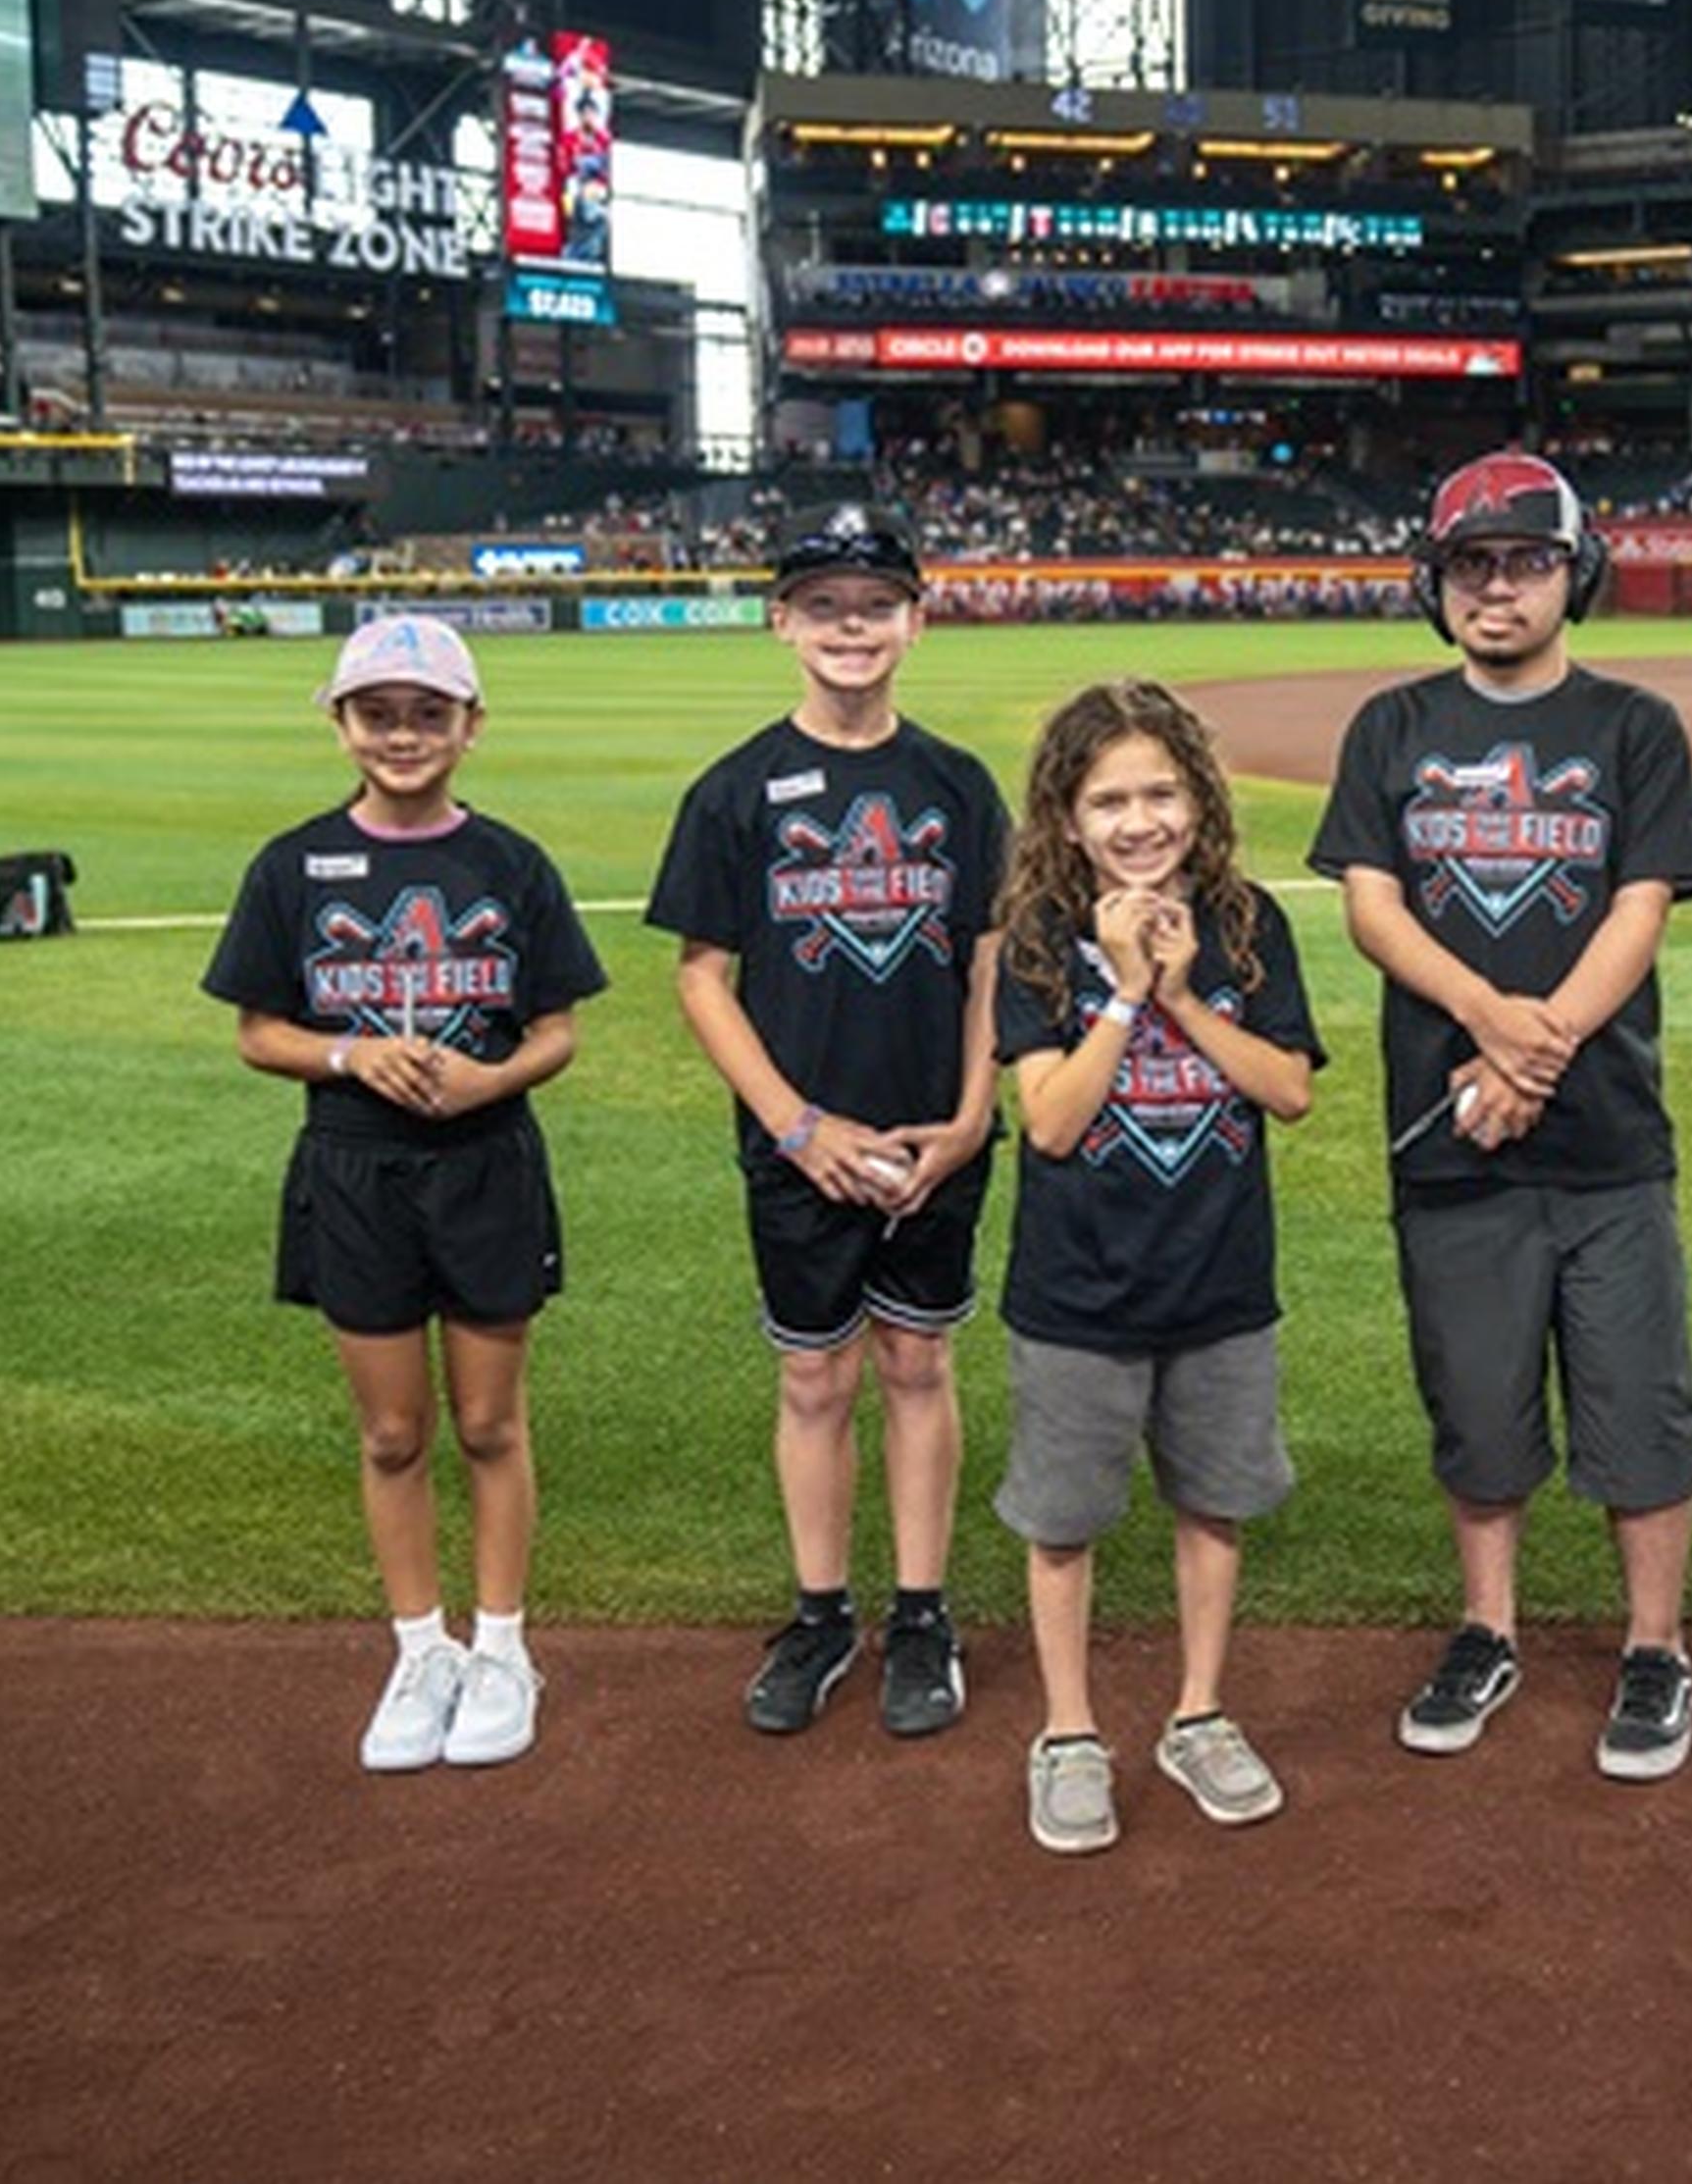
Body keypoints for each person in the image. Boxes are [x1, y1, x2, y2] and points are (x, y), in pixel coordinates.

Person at [1307, 448, 1692, 1781]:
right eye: (1470, 566)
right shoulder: (1393, 727)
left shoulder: (1632, 726)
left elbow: (1640, 908)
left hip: (1604, 1134)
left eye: (1526, 562)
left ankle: (1655, 1648)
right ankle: (1488, 1627)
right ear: (1438, 585)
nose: (1497, 588)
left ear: (1573, 575)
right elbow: (1373, 908)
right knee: (1478, 1411)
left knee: (1640, 1409)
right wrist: (1492, 1017)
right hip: (1452, 1138)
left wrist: (1535, 1057)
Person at [199, 615, 604, 1772]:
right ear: (340, 723)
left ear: (471, 727)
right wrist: (351, 1055)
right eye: (378, 712)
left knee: (487, 1420)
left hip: (487, 1166)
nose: (404, 734)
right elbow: (258, 1031)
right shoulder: (291, 863)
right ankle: (420, 1646)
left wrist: (490, 1074)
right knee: (390, 1432)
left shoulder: (513, 863)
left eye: (430, 713)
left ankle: (503, 1646)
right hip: (352, 1166)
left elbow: (558, 1029)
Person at [648, 504, 1008, 1742]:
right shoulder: (735, 789)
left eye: (873, 605)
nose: (849, 628)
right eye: (822, 605)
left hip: (930, 1136)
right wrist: (797, 1125)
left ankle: (920, 1611)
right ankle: (818, 1613)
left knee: (918, 1362)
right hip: (801, 1137)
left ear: (916, 617)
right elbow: (703, 975)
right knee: (814, 1374)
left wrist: (970, 1118)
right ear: (781, 620)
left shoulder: (957, 783)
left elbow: (987, 963)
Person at [993, 681, 1321, 1853]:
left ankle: (1198, 1711)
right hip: (1078, 1293)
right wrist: (1128, 992)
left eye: (1161, 793)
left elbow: (1288, 1091)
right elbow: (1053, 1124)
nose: (1140, 821)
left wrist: (1186, 989)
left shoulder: (1244, 925)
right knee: (1064, 1522)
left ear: (1198, 800)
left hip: (1220, 1281)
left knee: (1214, 1503)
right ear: (1067, 818)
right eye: (1109, 799)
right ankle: (1070, 1731)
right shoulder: (1038, 935)